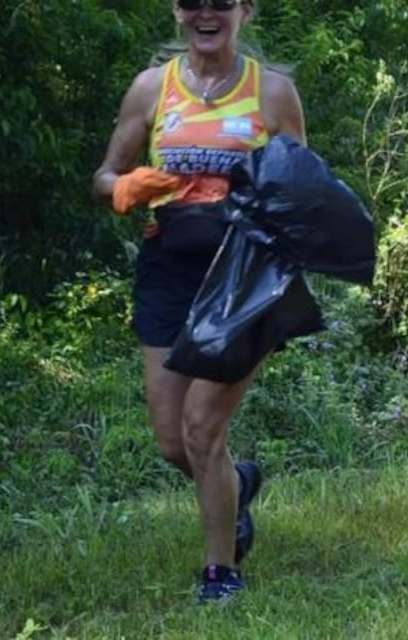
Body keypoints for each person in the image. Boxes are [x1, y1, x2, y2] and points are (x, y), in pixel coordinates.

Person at [92, 0, 306, 603]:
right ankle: (234, 486)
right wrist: (125, 185)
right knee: (171, 440)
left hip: (241, 279)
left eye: (220, 3)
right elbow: (105, 174)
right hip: (167, 271)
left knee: (202, 429)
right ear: (176, 10)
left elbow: (302, 184)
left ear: (246, 10)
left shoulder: (273, 94)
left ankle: (221, 571)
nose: (205, 14)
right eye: (193, 2)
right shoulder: (149, 90)